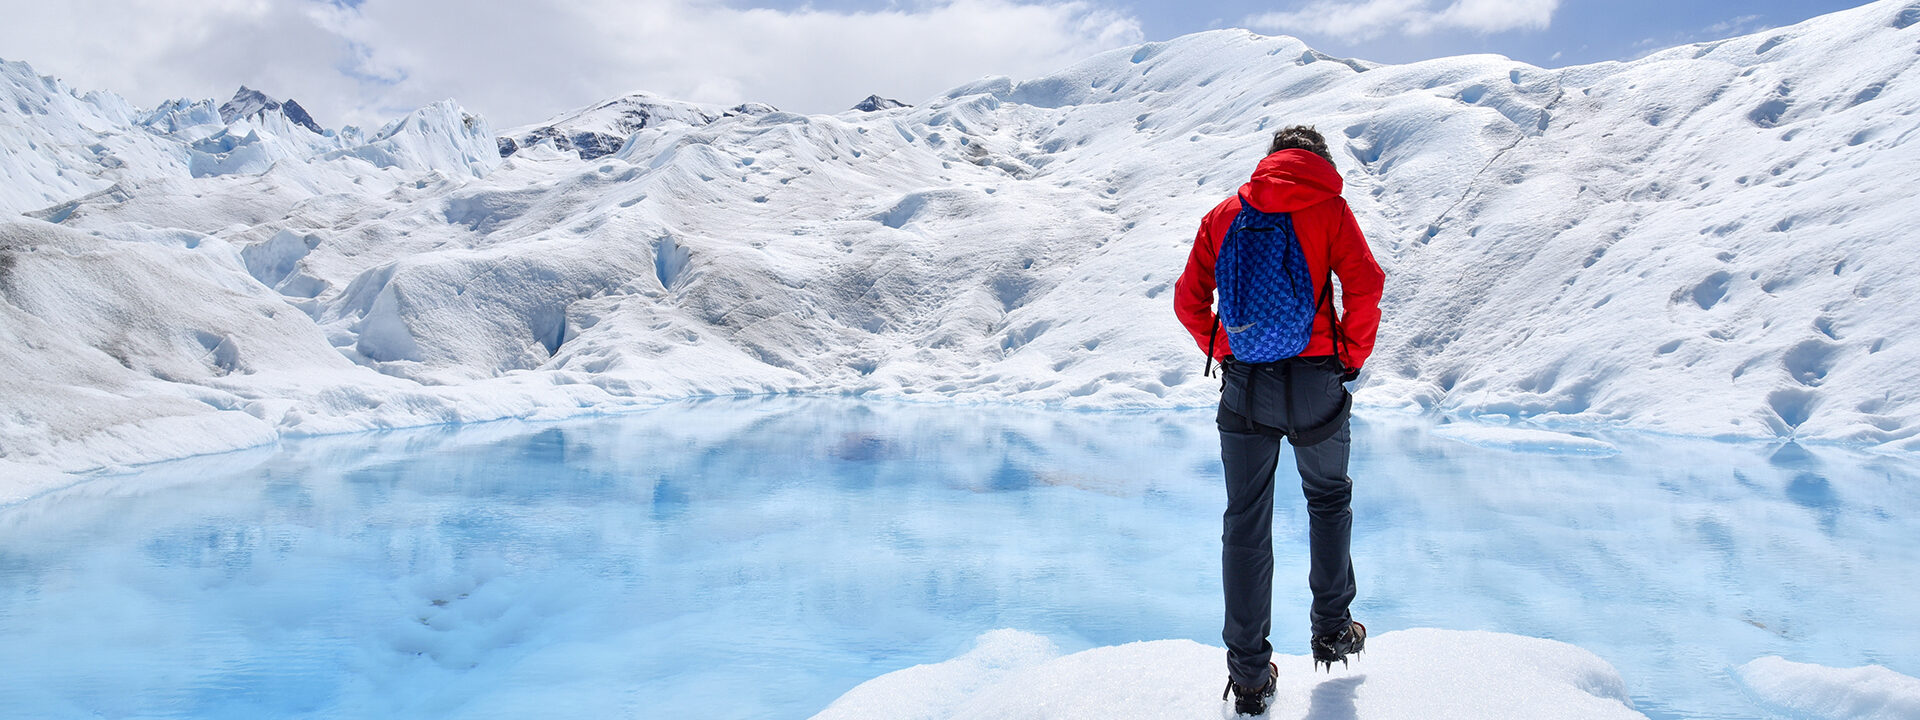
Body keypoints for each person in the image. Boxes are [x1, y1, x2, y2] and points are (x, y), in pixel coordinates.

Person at [1172, 125, 1385, 717]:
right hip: (1317, 378)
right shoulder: (1331, 209)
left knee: (1245, 521)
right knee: (1327, 498)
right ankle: (1334, 630)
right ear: (1319, 161)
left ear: (1270, 161)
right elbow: (1365, 285)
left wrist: (1225, 355)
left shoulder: (1224, 214)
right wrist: (1351, 356)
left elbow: (1189, 300)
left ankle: (1248, 677)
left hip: (1245, 387)